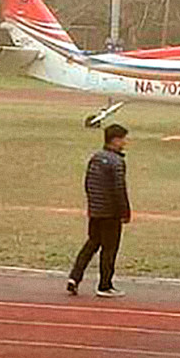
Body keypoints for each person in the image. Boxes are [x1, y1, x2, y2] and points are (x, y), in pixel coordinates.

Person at [66, 123, 131, 298]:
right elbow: (119, 189)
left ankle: (74, 277)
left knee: (91, 244)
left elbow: (88, 184)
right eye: (123, 139)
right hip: (111, 213)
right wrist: (125, 211)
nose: (125, 142)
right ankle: (104, 285)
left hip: (95, 211)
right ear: (115, 140)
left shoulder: (95, 158)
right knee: (110, 249)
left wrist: (93, 206)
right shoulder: (117, 162)